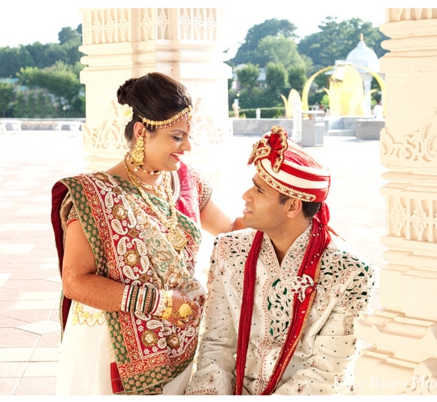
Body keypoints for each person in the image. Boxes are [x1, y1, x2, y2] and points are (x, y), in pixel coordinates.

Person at [50, 72, 237, 395]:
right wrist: (160, 303)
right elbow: (76, 281)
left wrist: (298, 217)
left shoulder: (186, 183)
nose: (187, 147)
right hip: (109, 350)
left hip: (177, 345)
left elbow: (232, 230)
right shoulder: (95, 195)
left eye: (187, 136)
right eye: (177, 137)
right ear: (141, 132)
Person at [186, 126, 375, 395]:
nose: (245, 196)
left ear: (292, 206)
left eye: (259, 191)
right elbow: (217, 346)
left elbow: (324, 373)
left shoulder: (351, 273)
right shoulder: (228, 250)